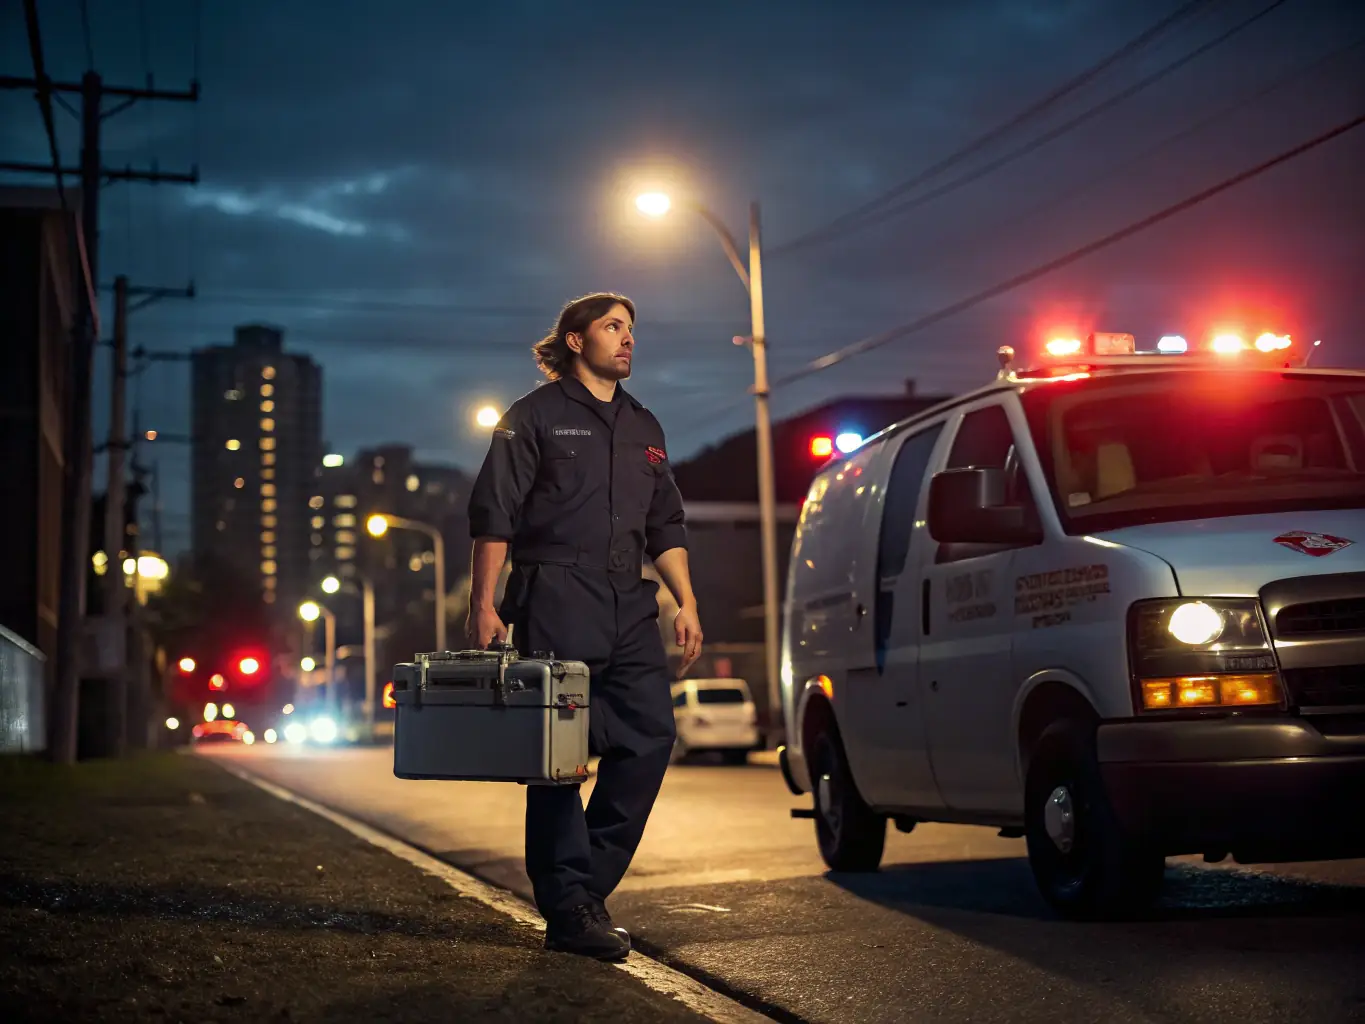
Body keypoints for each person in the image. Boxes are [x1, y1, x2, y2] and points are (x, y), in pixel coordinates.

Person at [465, 292, 703, 961]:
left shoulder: (644, 425)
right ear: (575, 341)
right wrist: (485, 606)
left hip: (631, 600)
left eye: (631, 328)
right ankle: (570, 905)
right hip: (555, 593)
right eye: (612, 327)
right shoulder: (531, 417)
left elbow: (667, 524)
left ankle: (581, 892)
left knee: (649, 737)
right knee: (560, 757)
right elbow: (494, 514)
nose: (627, 339)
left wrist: (685, 602)